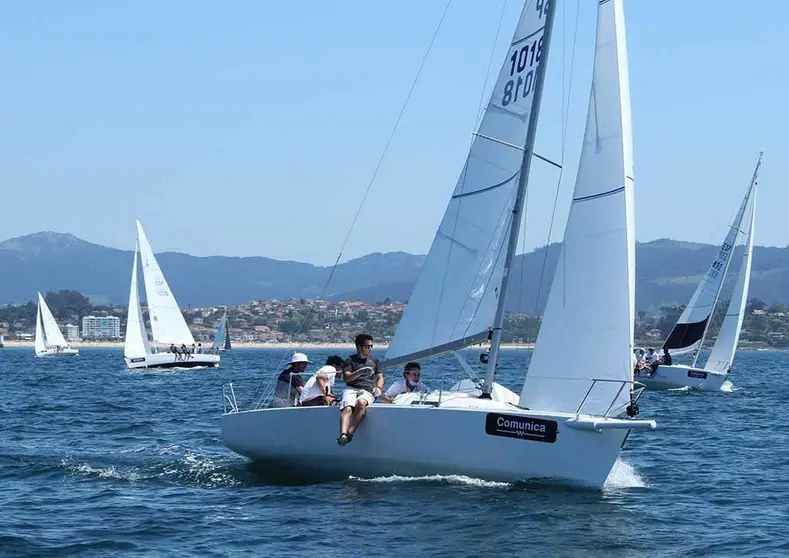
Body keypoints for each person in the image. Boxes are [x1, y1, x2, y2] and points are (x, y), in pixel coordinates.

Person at [338, 334, 383, 446]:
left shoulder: (375, 361)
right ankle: (343, 433)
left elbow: (380, 377)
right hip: (351, 388)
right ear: (359, 347)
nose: (370, 349)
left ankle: (349, 434)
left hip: (367, 390)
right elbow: (347, 378)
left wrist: (378, 387)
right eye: (367, 346)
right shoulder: (349, 360)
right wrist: (360, 372)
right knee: (347, 408)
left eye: (371, 346)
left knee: (361, 403)